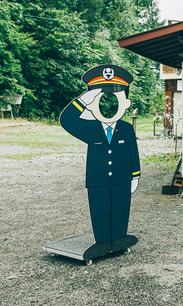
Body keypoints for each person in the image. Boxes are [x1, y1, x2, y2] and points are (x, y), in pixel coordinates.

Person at [59, 64, 140, 251]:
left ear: (125, 104)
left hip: (122, 179)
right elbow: (67, 120)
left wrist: (135, 175)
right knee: (100, 209)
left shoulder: (126, 128)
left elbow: (132, 152)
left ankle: (119, 237)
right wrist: (82, 100)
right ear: (91, 106)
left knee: (121, 208)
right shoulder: (91, 129)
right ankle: (102, 241)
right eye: (100, 101)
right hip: (98, 181)